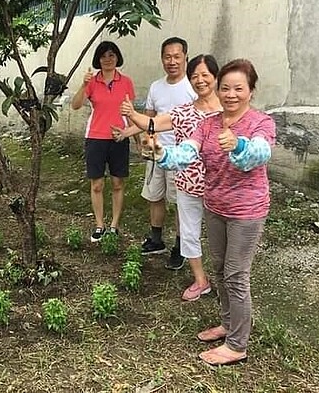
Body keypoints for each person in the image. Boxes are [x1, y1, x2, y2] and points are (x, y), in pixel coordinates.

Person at [143, 58, 275, 366]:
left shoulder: (261, 123)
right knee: (219, 270)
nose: (230, 94)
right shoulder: (207, 124)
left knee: (236, 276)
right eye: (225, 88)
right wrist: (162, 153)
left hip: (247, 211)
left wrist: (238, 145)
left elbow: (260, 153)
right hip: (216, 207)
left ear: (251, 91)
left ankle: (238, 345)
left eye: (238, 88)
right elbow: (186, 153)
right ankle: (229, 325)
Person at [118, 54, 222, 301]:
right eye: (194, 76)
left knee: (223, 239)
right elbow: (151, 124)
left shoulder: (227, 110)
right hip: (188, 182)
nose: (200, 80)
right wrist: (132, 113)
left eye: (205, 75)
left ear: (216, 77)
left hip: (220, 187)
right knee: (188, 232)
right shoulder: (183, 112)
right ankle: (200, 280)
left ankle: (227, 285)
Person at [114, 37, 196, 267]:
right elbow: (147, 120)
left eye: (176, 56)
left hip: (180, 156)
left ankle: (180, 248)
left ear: (185, 57)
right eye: (167, 57)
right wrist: (128, 132)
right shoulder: (156, 87)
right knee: (155, 196)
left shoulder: (192, 87)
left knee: (180, 203)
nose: (172, 61)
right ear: (162, 59)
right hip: (155, 153)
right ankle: (156, 239)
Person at [71, 41, 136, 242]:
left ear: (117, 57)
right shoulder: (91, 81)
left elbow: (131, 112)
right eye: (103, 56)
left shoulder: (126, 82)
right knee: (97, 184)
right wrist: (83, 84)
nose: (108, 59)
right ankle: (99, 225)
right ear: (98, 59)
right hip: (95, 138)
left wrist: (135, 135)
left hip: (119, 138)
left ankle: (114, 225)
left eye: (111, 55)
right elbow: (75, 105)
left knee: (117, 183)